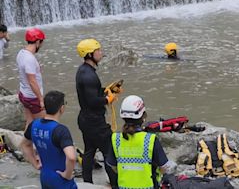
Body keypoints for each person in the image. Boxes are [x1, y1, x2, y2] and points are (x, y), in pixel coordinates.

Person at [106, 95, 177, 188]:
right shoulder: (150, 139)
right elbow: (164, 167)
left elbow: (113, 166)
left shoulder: (116, 139)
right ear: (143, 117)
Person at [75, 38, 117, 187]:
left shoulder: (84, 70)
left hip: (86, 119)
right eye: (98, 51)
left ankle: (88, 183)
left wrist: (106, 91)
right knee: (110, 152)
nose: (101, 53)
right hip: (95, 122)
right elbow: (93, 101)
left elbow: (91, 94)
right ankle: (115, 183)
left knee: (89, 151)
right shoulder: (89, 76)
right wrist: (108, 99)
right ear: (90, 54)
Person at [20, 90, 77, 188]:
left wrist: (35, 163)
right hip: (60, 179)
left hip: (45, 176)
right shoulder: (61, 130)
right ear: (62, 108)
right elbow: (71, 157)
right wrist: (67, 175)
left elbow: (24, 144)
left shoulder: (34, 125)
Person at [16, 28, 46, 129]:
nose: (41, 46)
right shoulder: (29, 59)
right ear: (37, 42)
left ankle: (24, 144)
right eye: (41, 43)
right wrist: (41, 99)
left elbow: (25, 71)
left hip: (23, 94)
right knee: (43, 125)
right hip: (32, 97)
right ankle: (38, 144)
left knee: (30, 122)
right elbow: (32, 81)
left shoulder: (21, 53)